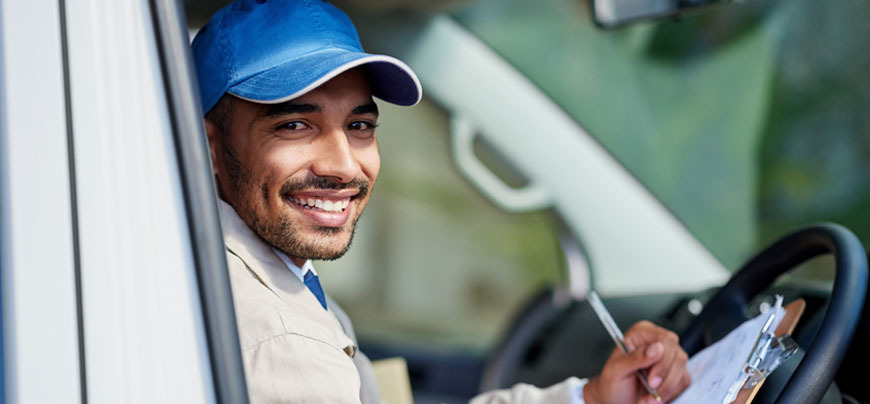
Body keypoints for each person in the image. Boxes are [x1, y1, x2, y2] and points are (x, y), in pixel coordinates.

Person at [191, 1, 691, 403]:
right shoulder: (284, 344)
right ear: (210, 148)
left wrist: (592, 398)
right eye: (294, 126)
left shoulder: (258, 274)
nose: (344, 166)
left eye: (359, 126)